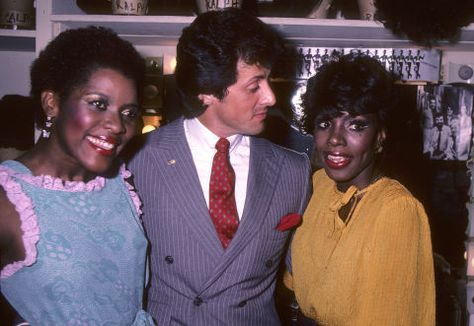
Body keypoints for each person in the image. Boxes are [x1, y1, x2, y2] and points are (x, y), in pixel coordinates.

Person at [127, 8, 311, 325]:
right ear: (209, 91)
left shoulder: (294, 170)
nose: (270, 97)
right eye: (255, 85)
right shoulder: (138, 160)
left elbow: (307, 277)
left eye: (269, 81)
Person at [0, 26, 155, 325]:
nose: (117, 126)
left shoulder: (121, 184)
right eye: (98, 104)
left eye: (129, 113)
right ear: (52, 103)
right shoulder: (8, 201)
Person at [284, 53, 435, 325]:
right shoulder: (319, 186)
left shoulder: (397, 210)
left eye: (356, 125)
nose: (335, 139)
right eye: (325, 123)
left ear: (380, 135)